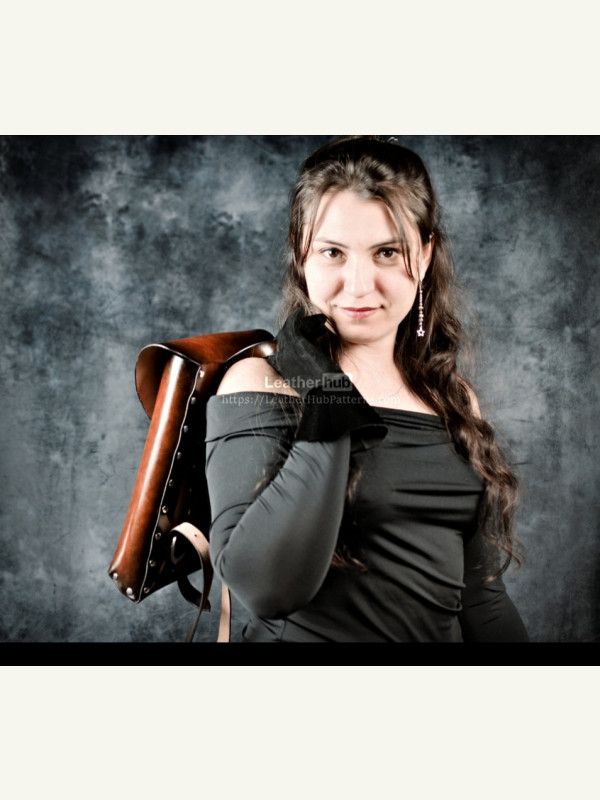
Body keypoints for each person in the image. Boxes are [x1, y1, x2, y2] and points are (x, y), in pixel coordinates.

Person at [204, 135, 529, 642]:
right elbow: (267, 588)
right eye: (333, 251)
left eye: (387, 252)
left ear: (424, 255)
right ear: (301, 253)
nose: (358, 285)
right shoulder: (259, 385)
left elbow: (483, 601)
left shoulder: (452, 397)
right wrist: (327, 395)